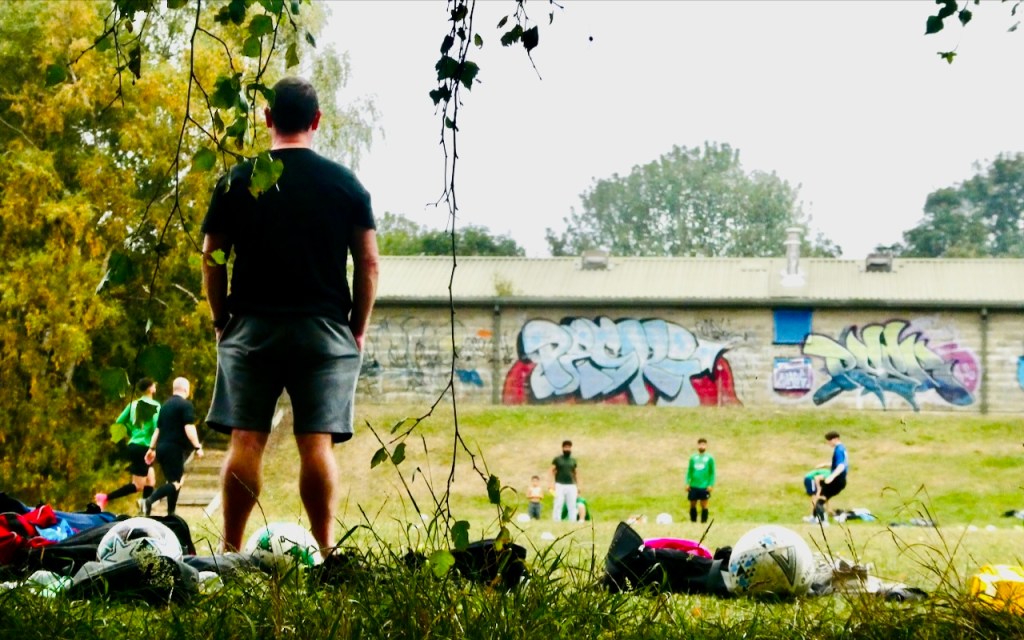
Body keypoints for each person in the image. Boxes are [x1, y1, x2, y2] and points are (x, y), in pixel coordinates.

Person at [201, 76, 379, 552]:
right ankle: (325, 552)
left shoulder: (237, 181)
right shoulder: (345, 185)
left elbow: (212, 257)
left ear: (268, 118)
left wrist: (221, 320)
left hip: (250, 327)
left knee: (246, 440)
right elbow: (368, 263)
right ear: (316, 120)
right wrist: (356, 328)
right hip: (324, 331)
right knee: (316, 443)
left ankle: (231, 552)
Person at [141, 377, 204, 516]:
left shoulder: (165, 406)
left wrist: (151, 449)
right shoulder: (185, 405)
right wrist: (197, 447)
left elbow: (158, 430)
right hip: (174, 449)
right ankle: (149, 500)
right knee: (176, 483)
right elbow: (189, 427)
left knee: (172, 481)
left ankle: (171, 512)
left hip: (161, 448)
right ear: (186, 389)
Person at [94, 378, 160, 511]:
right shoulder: (155, 406)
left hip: (133, 445)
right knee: (138, 485)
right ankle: (105, 497)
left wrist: (132, 432)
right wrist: (156, 444)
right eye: (154, 385)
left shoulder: (133, 404)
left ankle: (146, 512)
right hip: (145, 447)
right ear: (150, 388)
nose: (155, 387)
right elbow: (156, 426)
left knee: (150, 480)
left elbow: (119, 421)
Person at [813, 430, 849, 522]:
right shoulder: (842, 448)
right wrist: (825, 465)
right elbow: (840, 464)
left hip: (837, 479)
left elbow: (841, 466)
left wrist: (831, 476)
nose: (828, 443)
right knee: (822, 497)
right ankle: (815, 518)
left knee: (820, 499)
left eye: (829, 441)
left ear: (835, 439)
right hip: (841, 480)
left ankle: (821, 520)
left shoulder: (838, 450)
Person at [685, 437, 716, 523]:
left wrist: (710, 484)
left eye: (703, 444)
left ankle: (703, 522)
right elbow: (689, 471)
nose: (702, 446)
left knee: (704, 504)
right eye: (700, 444)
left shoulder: (709, 458)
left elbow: (712, 473)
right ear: (697, 445)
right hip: (693, 485)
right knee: (692, 504)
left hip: (704, 486)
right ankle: (693, 521)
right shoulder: (693, 458)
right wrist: (687, 483)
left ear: (706, 446)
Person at [550, 440, 579, 522]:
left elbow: (575, 473)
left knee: (572, 504)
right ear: (562, 448)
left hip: (571, 485)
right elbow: (552, 471)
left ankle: (572, 520)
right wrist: (551, 483)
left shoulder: (573, 460)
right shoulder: (557, 459)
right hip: (560, 484)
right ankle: (556, 520)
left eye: (569, 447)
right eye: (566, 447)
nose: (567, 449)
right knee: (558, 503)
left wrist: (578, 485)